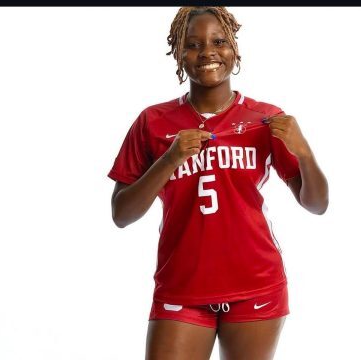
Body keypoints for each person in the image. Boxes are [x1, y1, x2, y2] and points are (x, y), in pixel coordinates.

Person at [108, 6, 328, 360]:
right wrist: (170, 159)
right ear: (178, 54)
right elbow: (121, 214)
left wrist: (304, 152)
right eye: (193, 44)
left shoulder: (265, 118)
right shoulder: (153, 121)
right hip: (182, 287)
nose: (207, 52)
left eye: (218, 41)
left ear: (234, 49)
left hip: (256, 284)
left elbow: (316, 204)